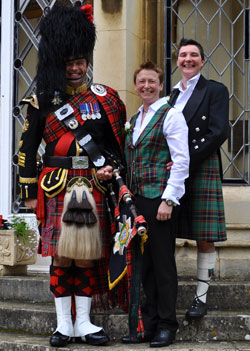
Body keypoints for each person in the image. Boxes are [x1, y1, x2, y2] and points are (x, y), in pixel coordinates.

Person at [18, 3, 127, 348]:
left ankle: (84, 322)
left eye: (81, 62)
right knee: (62, 256)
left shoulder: (106, 99)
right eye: (70, 62)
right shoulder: (42, 103)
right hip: (56, 187)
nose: (77, 68)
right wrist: (30, 194)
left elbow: (116, 148)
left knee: (88, 256)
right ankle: (63, 324)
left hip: (93, 186)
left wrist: (113, 170)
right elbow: (26, 149)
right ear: (59, 63)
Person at [122, 61, 190, 347]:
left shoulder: (171, 115)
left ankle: (167, 325)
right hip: (137, 201)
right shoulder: (136, 118)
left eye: (152, 81)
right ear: (136, 85)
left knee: (163, 265)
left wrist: (169, 200)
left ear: (161, 85)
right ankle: (146, 325)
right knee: (144, 266)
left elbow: (181, 160)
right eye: (142, 82)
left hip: (160, 201)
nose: (146, 86)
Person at [171, 38, 229, 319]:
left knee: (205, 237)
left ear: (202, 61)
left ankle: (201, 297)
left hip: (201, 165)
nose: (188, 59)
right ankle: (164, 295)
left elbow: (218, 132)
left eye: (194, 55)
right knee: (165, 231)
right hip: (172, 171)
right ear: (178, 60)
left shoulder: (215, 90)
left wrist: (184, 159)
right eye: (183, 55)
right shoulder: (170, 96)